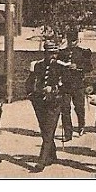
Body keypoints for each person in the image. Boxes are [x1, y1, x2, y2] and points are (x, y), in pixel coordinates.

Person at [27, 40, 65, 172]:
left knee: (48, 132)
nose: (53, 56)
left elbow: (66, 85)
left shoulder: (62, 67)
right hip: (39, 103)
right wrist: (31, 95)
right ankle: (52, 155)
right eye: (50, 53)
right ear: (45, 53)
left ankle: (41, 162)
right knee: (45, 130)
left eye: (55, 53)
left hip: (54, 103)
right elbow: (30, 81)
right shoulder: (38, 66)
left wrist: (53, 89)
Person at [58, 29, 92, 139]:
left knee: (79, 108)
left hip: (78, 85)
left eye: (74, 41)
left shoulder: (83, 52)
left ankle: (81, 125)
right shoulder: (62, 53)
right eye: (70, 40)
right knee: (65, 108)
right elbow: (58, 66)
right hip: (66, 85)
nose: (72, 43)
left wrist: (78, 67)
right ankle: (68, 133)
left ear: (77, 40)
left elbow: (89, 67)